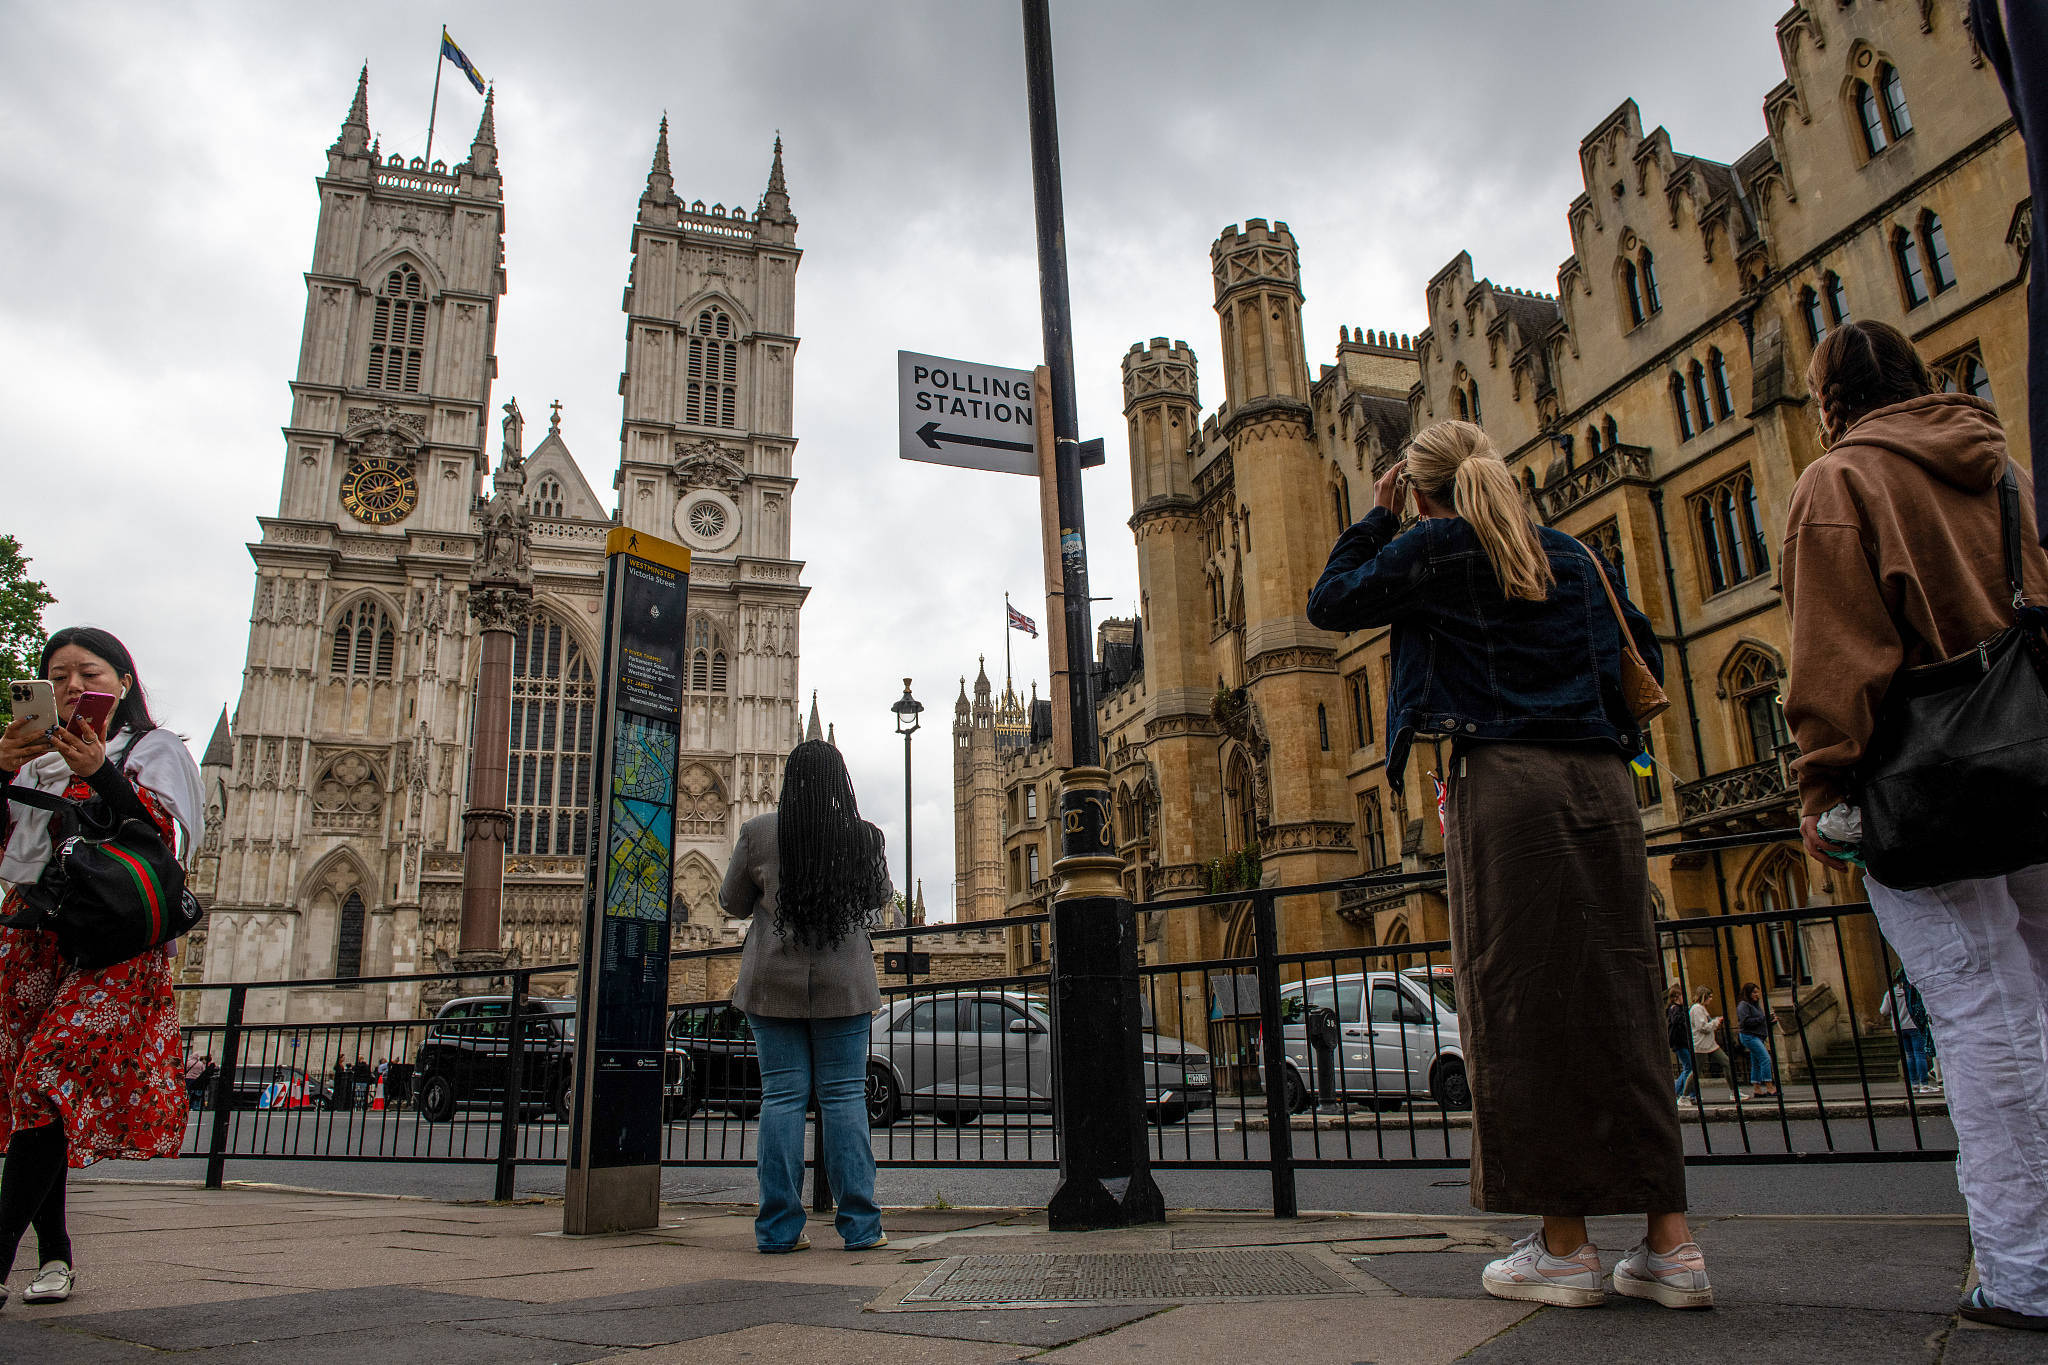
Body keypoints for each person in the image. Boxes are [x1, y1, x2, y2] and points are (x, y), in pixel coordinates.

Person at [1308, 420, 1711, 1310]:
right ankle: (1671, 1245)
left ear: (1419, 490)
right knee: (1624, 999)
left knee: (1524, 1004)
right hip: (1605, 788)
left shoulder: (1435, 548)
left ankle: (1565, 1245)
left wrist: (1378, 523)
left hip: (1506, 784)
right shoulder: (1569, 553)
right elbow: (1634, 649)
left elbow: (1330, 602)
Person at [1781, 319, 2048, 1331]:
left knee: (1979, 1017)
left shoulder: (1838, 482)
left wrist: (1820, 787)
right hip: (2028, 763)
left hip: (1922, 779)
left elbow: (1833, 656)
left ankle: (2023, 1271)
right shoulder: (2001, 469)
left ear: (1829, 400)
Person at [0, 628, 202, 1312]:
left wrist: (101, 773)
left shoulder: (152, 750)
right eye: (54, 676)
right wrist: (2, 770)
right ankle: (54, 1255)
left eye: (86, 672)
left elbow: (167, 841)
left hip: (115, 943)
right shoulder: (32, 763)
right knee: (36, 1101)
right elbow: (10, 851)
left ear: (121, 681)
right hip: (37, 936)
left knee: (44, 1077)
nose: (68, 686)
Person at [720, 739, 893, 1255]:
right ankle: (860, 1227)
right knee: (843, 1100)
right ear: (842, 783)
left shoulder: (758, 834)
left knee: (781, 1100)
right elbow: (881, 899)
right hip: (844, 986)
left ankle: (778, 1230)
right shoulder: (863, 838)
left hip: (772, 986)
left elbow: (731, 902)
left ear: (791, 782)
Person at [1878, 971, 1937, 1094]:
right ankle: (1924, 1084)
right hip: (1913, 1026)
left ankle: (1914, 1084)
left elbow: (1883, 1011)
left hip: (1899, 1028)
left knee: (1909, 1056)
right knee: (1919, 1054)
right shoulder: (1911, 991)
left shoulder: (1889, 994)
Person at [1684, 988, 1736, 1106]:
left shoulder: (1700, 1008)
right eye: (1710, 996)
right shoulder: (1696, 1009)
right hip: (1701, 1045)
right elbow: (1702, 1027)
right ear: (1704, 996)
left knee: (1726, 1062)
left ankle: (1734, 1092)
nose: (1711, 999)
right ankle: (1684, 1096)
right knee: (1696, 1071)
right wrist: (1716, 1022)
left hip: (1710, 1044)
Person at [1735, 983, 1778, 1099]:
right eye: (1754, 992)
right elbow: (1745, 1022)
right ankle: (1769, 1086)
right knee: (1765, 1059)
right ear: (1748, 993)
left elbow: (1760, 1020)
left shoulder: (1754, 1005)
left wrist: (1770, 1020)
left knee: (1756, 1062)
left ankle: (1757, 1089)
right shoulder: (1743, 1005)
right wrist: (1763, 1019)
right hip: (1749, 1036)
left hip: (1757, 1036)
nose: (1756, 995)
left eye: (1757, 992)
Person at [1665, 986, 1697, 1103]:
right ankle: (1688, 1093)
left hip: (1682, 1042)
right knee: (1689, 1067)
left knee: (1688, 1067)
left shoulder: (1678, 1008)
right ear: (1676, 997)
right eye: (1682, 995)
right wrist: (1685, 1013)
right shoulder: (1675, 1008)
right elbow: (1676, 1020)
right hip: (1680, 1042)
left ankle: (1677, 1092)